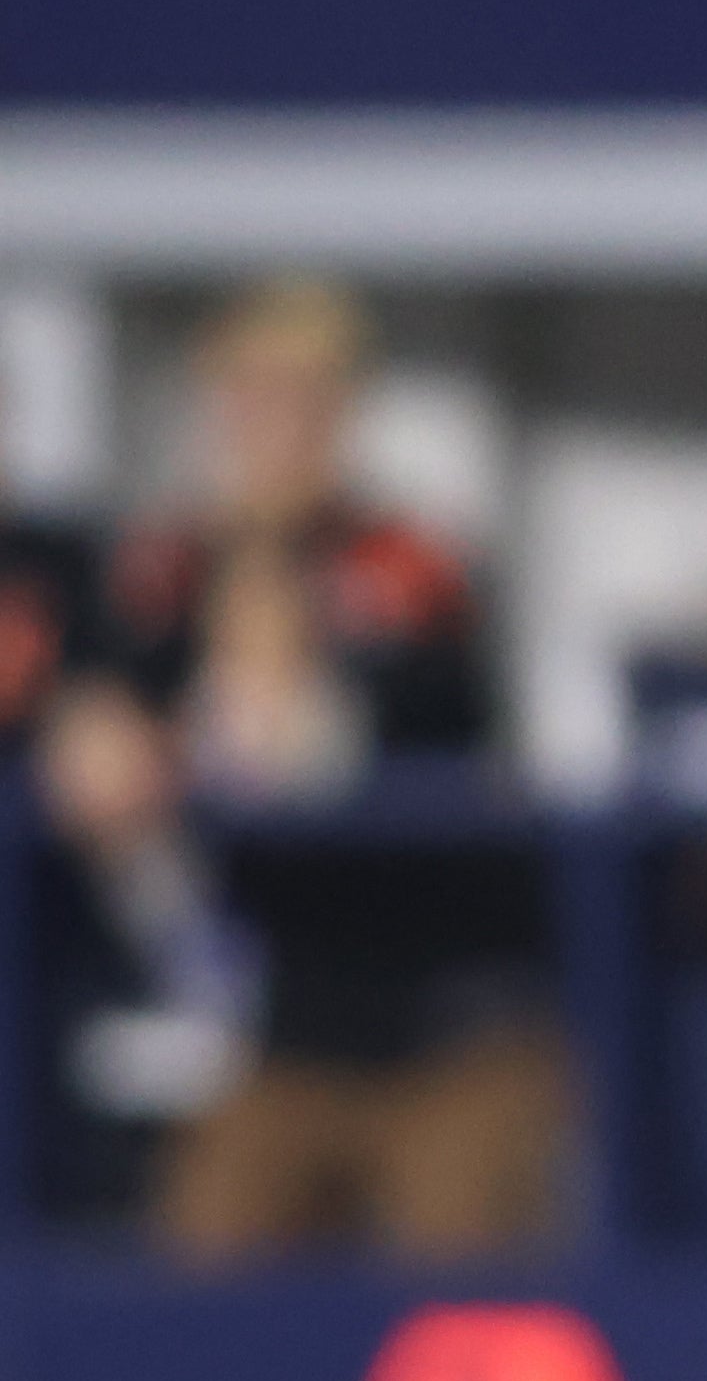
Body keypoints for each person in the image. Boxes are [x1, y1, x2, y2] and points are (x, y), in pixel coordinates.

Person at [109, 278, 565, 1264]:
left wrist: (275, 620)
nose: (276, 424)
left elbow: (400, 716)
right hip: (282, 1028)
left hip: (446, 1025)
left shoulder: (411, 562)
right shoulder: (173, 567)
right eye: (252, 394)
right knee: (199, 1268)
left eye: (303, 396)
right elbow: (118, 705)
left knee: (455, 1297)